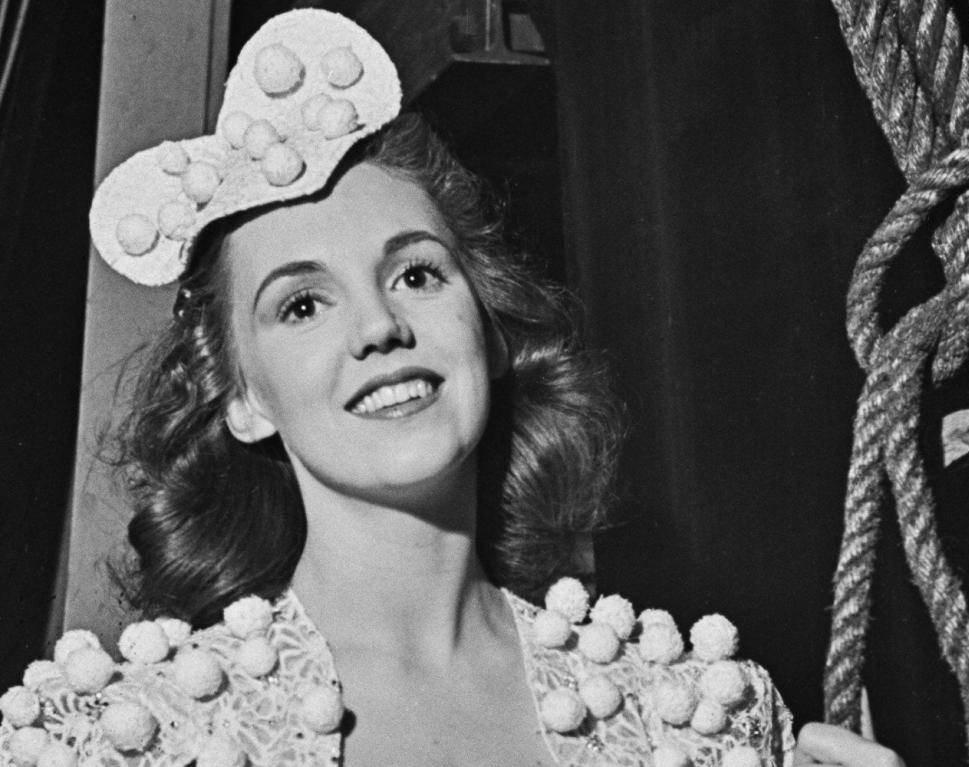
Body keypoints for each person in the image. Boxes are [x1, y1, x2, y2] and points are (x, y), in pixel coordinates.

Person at [0, 10, 901, 767]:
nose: (381, 327)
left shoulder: (694, 719)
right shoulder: (121, 739)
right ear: (243, 397)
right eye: (304, 304)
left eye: (419, 275)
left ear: (490, 328)